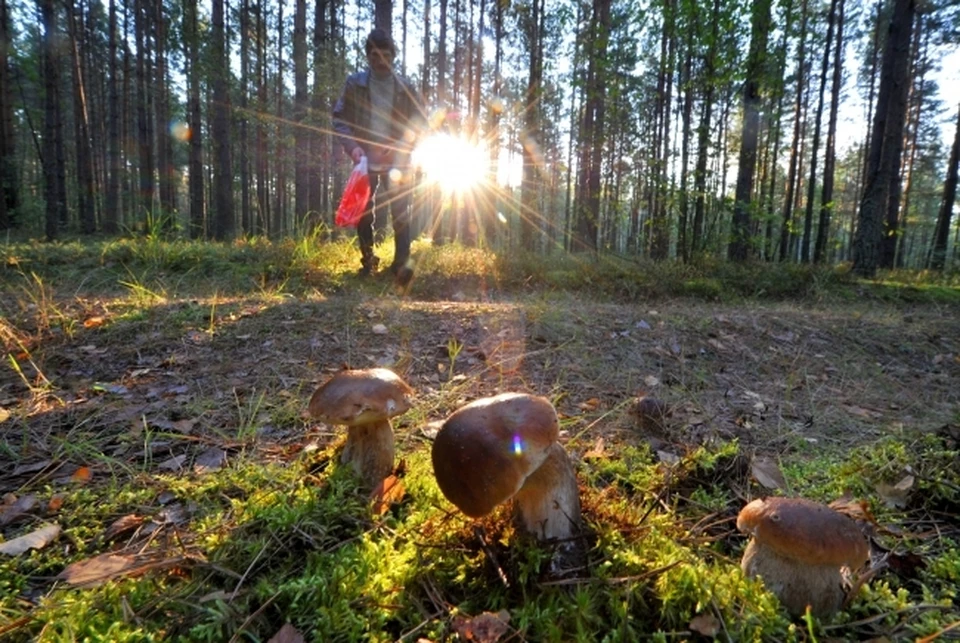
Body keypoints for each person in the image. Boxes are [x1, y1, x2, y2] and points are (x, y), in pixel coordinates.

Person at [332, 28, 424, 284]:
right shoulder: (355, 84)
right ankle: (368, 261)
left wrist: (401, 145)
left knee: (401, 213)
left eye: (385, 54)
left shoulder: (405, 87)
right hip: (365, 163)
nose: (379, 59)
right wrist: (353, 148)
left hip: (398, 162)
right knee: (363, 212)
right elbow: (339, 118)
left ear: (393, 56)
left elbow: (421, 123)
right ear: (367, 56)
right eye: (374, 54)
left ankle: (401, 266)